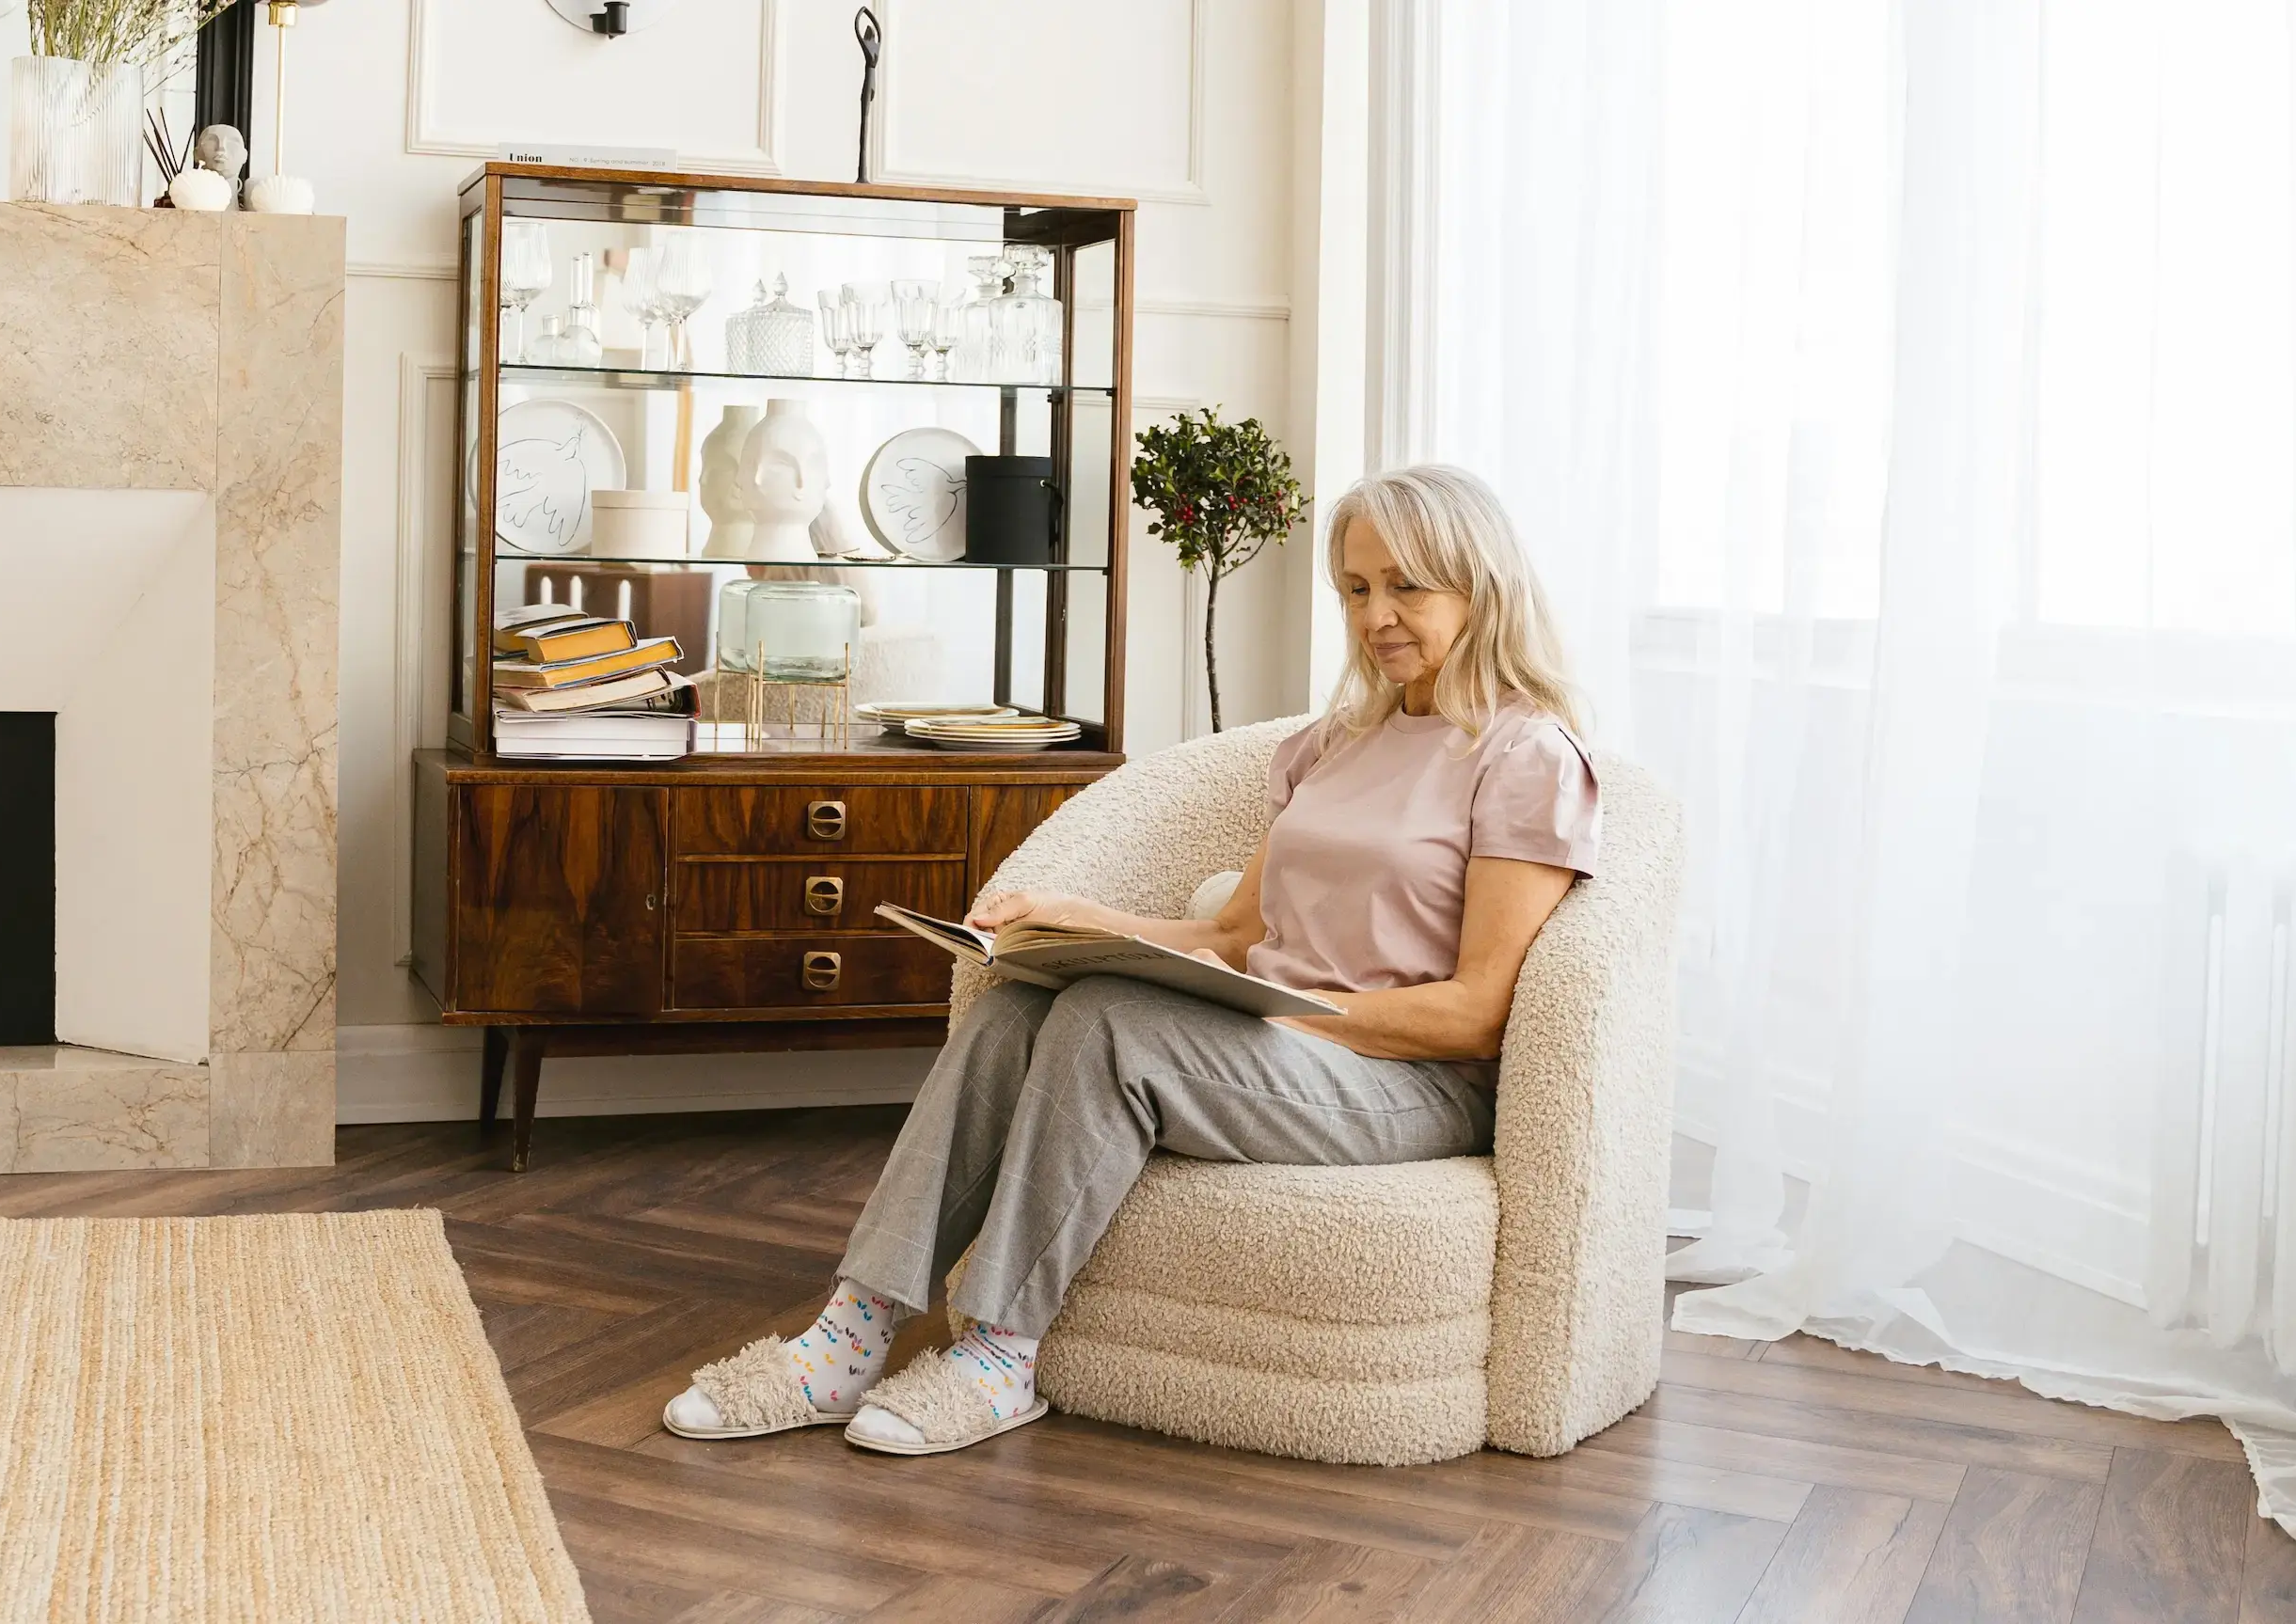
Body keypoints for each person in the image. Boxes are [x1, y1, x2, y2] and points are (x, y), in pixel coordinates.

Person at [663, 464, 1606, 1455]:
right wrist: (1069, 921)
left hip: (1407, 1079)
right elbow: (1236, 940)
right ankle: (847, 1337)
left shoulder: (1525, 757)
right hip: (1275, 1041)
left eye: (1407, 585)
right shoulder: (1333, 744)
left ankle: (999, 1356)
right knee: (1015, 1007)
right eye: (1357, 588)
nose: (1378, 616)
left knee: (1108, 1027)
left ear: (1480, 583)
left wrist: (1280, 1009)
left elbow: (1480, 1012)